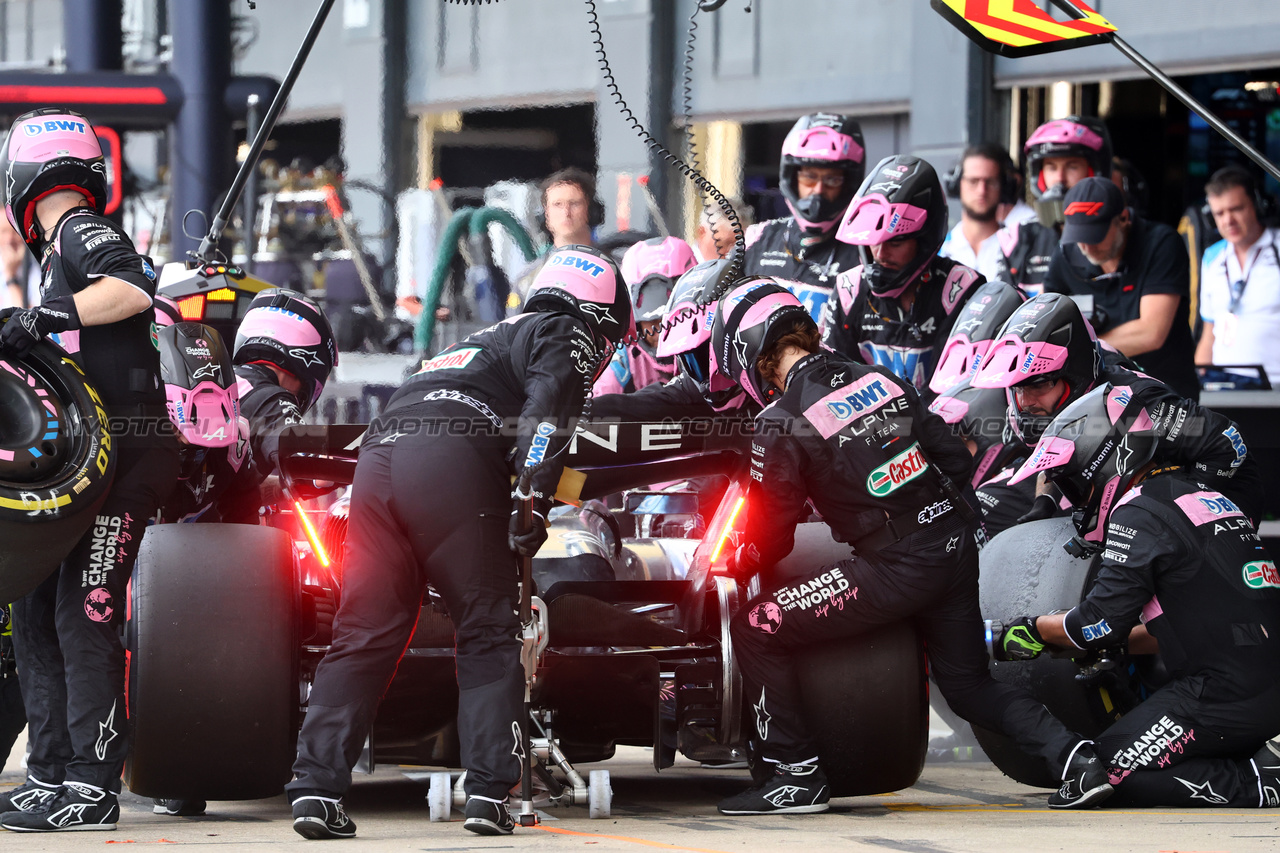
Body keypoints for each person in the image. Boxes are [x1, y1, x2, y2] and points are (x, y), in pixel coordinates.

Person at [710, 279, 1110, 815]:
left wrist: (739, 558)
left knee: (756, 626)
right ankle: (1076, 759)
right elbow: (956, 459)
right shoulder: (878, 377)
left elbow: (775, 534)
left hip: (896, 567)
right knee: (968, 687)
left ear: (749, 355)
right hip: (953, 548)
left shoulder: (779, 423)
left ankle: (793, 774)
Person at [285, 245, 632, 840]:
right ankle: (490, 793)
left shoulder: (477, 338)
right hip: (450, 459)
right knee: (488, 628)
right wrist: (530, 498)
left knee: (365, 631)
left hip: (380, 455)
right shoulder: (564, 331)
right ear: (600, 319)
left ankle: (316, 789)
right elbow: (546, 416)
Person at [0, 108, 179, 832]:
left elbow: (134, 287)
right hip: (95, 459)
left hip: (132, 453)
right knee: (35, 609)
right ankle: (51, 770)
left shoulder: (77, 228)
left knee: (86, 612)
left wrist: (43, 316)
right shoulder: (56, 251)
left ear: (21, 176)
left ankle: (94, 782)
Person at [996, 384, 1280, 808]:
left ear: (1106, 462)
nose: (1073, 497)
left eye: (1073, 482)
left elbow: (1098, 622)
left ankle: (1258, 782)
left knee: (1097, 775)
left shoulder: (1138, 512)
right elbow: (1185, 624)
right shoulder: (1199, 495)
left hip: (1224, 692)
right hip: (1255, 682)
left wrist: (1026, 631)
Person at [972, 293, 1265, 532]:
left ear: (1073, 375)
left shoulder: (1141, 403)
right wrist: (1044, 503)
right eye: (1017, 390)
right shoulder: (1047, 398)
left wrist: (1183, 506)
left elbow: (1228, 442)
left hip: (1222, 503)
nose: (1026, 402)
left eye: (1037, 386)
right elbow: (1050, 450)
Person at [821, 154, 984, 392]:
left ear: (924, 239)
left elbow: (961, 390)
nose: (880, 253)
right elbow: (833, 378)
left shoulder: (960, 288)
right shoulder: (849, 288)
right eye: (872, 240)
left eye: (895, 242)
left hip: (940, 423)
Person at [1044, 176, 1199, 400]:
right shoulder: (1065, 254)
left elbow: (1151, 333)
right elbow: (1046, 323)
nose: (1086, 246)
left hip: (1164, 391)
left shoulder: (1160, 243)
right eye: (1078, 236)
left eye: (1094, 235)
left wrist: (1077, 350)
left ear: (1123, 218)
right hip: (1095, 394)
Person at [743, 113, 865, 290]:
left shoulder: (865, 254)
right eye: (810, 177)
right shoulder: (758, 239)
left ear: (848, 183)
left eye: (832, 179)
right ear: (793, 179)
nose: (818, 189)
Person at [1002, 115, 1115, 295]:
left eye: (1072, 166)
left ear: (1093, 170)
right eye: (1051, 167)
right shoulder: (1017, 236)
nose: (1060, 178)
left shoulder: (1117, 231)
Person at [1195, 166, 1280, 383]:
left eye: (1236, 209)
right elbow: (1209, 330)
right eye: (1219, 213)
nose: (1227, 221)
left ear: (1258, 205)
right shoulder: (1211, 257)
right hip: (1223, 383)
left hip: (1274, 384)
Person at [594, 236, 697, 395]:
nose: (661, 332)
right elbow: (593, 406)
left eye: (668, 321)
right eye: (651, 322)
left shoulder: (716, 344)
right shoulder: (622, 363)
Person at [940, 143, 1022, 283]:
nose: (981, 191)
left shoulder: (1021, 249)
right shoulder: (939, 249)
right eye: (973, 181)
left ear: (1004, 187)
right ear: (957, 184)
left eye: (990, 182)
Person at [540, 167, 601, 249]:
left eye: (574, 204)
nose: (566, 212)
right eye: (557, 204)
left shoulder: (613, 261)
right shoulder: (542, 262)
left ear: (589, 209)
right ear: (546, 212)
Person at [695, 197, 751, 262]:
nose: (731, 253)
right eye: (723, 245)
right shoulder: (684, 267)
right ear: (702, 232)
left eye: (739, 245)